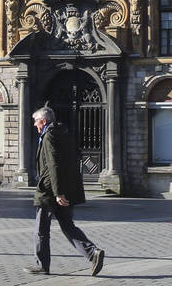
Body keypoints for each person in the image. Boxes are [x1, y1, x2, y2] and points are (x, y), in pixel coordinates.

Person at [27, 106, 105, 276]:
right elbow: (76, 157)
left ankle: (42, 265)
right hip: (65, 188)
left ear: (44, 121)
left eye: (36, 121)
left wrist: (58, 193)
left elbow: (53, 165)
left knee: (41, 229)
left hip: (50, 190)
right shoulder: (64, 133)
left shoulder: (49, 136)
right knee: (68, 226)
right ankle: (93, 253)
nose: (34, 125)